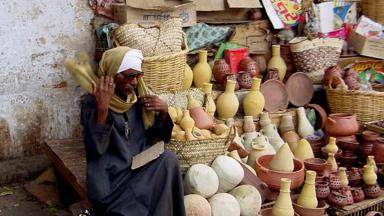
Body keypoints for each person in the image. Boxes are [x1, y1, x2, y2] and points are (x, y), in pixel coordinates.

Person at [80, 47, 186, 216]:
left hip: (138, 168)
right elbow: (95, 150)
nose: (135, 82)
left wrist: (164, 113)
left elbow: (159, 138)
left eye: (138, 75)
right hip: (112, 180)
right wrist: (102, 111)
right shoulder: (92, 102)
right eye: (129, 76)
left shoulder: (138, 97)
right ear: (112, 75)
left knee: (169, 160)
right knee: (148, 194)